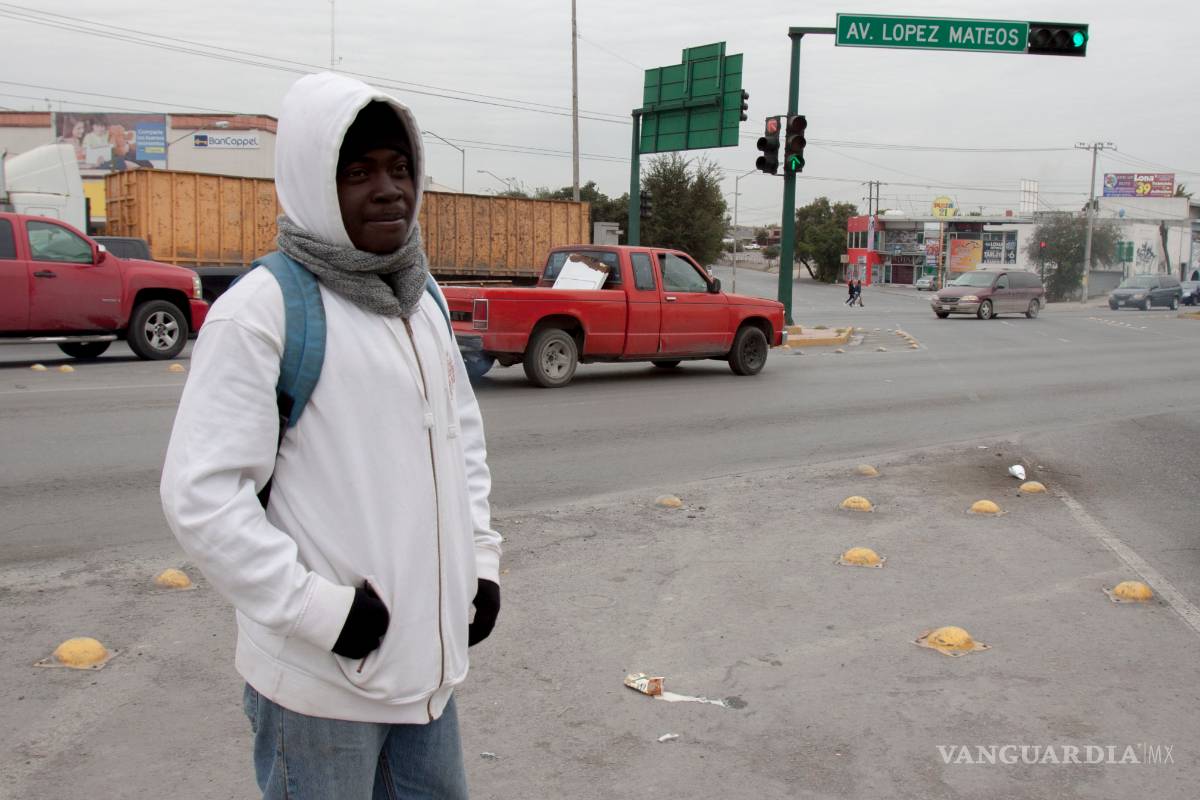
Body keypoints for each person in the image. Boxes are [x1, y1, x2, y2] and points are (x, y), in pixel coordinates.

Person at [161, 72, 502, 799]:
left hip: (426, 678)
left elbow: (461, 443)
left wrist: (481, 562)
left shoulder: (420, 297)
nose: (388, 190)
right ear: (314, 182)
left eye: (400, 168)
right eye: (358, 173)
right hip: (318, 689)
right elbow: (202, 499)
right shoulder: (264, 311)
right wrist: (319, 612)